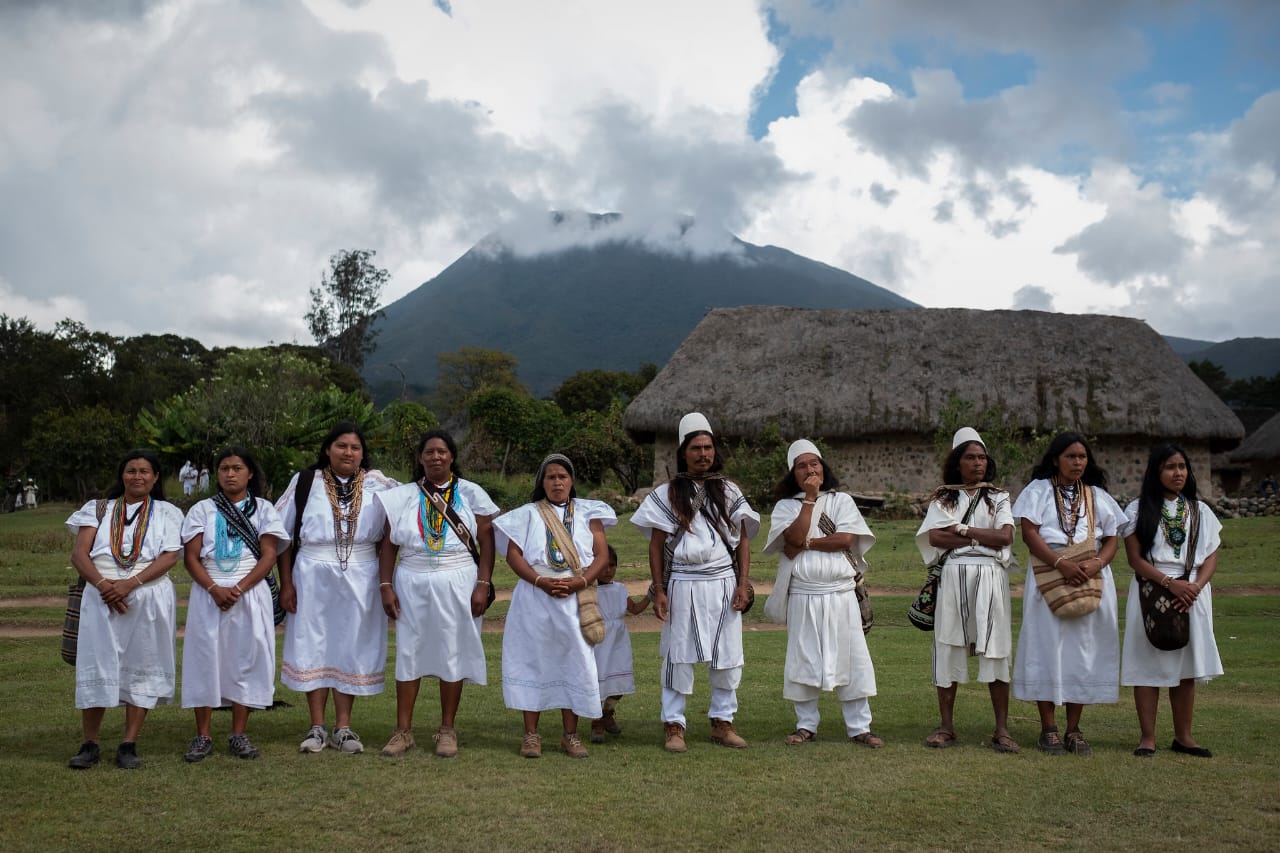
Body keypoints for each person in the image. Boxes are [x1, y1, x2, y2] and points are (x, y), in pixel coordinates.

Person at [631, 412, 760, 753]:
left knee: (728, 655)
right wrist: (659, 589)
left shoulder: (729, 489)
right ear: (683, 452)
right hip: (683, 583)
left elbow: (743, 539)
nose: (704, 454)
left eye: (708, 447)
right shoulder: (666, 493)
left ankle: (722, 722)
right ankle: (674, 725)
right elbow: (656, 544)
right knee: (678, 655)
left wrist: (743, 583)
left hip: (722, 582)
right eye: (696, 448)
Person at [375, 430, 498, 758]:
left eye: (442, 451)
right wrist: (385, 585)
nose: (435, 457)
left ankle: (447, 729)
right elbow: (388, 544)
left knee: (452, 650)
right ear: (420, 458)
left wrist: (483, 584)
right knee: (408, 652)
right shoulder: (402, 496)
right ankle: (403, 731)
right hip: (412, 579)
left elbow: (487, 541)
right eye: (429, 452)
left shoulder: (471, 493)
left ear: (452, 456)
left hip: (459, 579)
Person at [276, 422, 397, 754]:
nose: (348, 452)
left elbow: (397, 528)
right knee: (312, 643)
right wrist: (286, 583)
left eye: (355, 447)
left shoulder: (379, 485)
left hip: (362, 573)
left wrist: (387, 581)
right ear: (327, 449)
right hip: (312, 571)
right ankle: (316, 727)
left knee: (351, 643)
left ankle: (343, 727)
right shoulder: (306, 482)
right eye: (341, 446)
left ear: (363, 453)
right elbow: (281, 535)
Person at [65, 450, 184, 770]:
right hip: (101, 595)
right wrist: (106, 586)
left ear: (156, 477)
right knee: (97, 664)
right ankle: (89, 743)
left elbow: (170, 556)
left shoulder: (167, 513)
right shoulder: (98, 509)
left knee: (142, 664)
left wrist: (129, 584)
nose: (138, 476)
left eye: (145, 471)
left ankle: (128, 743)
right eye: (131, 470)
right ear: (122, 475)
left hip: (147, 595)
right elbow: (80, 555)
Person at [494, 453, 615, 759]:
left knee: (574, 661)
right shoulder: (526, 514)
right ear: (542, 482)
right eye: (550, 477)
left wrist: (581, 581)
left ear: (571, 480)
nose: (557, 482)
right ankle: (531, 735)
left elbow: (601, 556)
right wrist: (539, 581)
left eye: (562, 476)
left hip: (575, 596)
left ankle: (570, 736)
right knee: (531, 660)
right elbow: (513, 555)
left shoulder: (590, 512)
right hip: (535, 597)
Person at [1013, 431, 1124, 756]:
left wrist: (1097, 564)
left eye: (1082, 457)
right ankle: (1048, 729)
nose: (1077, 462)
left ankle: (1074, 729)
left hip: (1089, 576)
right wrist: (1060, 562)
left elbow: (1112, 538)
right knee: (1046, 648)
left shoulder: (1097, 496)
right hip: (1050, 575)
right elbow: (1029, 532)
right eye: (1071, 456)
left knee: (1083, 652)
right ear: (1055, 459)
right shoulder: (1038, 492)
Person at [764, 439, 882, 747]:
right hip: (803, 595)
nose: (810, 469)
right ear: (793, 473)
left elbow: (844, 540)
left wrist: (807, 544)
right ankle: (806, 726)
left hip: (841, 594)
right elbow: (792, 535)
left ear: (823, 466)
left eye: (814, 463)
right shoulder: (785, 506)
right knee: (804, 659)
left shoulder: (841, 501)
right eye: (802, 466)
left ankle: (860, 727)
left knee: (853, 658)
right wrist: (810, 499)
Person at [179, 447, 289, 762]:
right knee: (205, 659)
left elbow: (269, 554)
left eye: (237, 467)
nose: (230, 473)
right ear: (217, 474)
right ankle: (202, 735)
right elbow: (191, 556)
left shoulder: (264, 509)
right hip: (208, 593)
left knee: (247, 659)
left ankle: (239, 734)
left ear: (249, 473)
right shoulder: (202, 509)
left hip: (250, 593)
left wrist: (239, 587)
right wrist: (214, 588)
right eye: (224, 468)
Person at [916, 428, 1018, 752]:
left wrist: (961, 529)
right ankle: (946, 727)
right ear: (957, 463)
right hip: (954, 574)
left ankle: (1002, 730)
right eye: (970, 457)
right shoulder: (944, 497)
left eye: (982, 457)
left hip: (991, 576)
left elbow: (1005, 538)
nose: (978, 463)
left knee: (996, 648)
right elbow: (935, 538)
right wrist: (979, 537)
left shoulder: (998, 497)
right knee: (948, 648)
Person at [1121, 443, 1224, 758]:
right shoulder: (1137, 510)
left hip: (1192, 593)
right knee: (1147, 664)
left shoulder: (1199, 510)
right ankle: (1147, 738)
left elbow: (1209, 557)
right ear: (1156, 471)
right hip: (1152, 590)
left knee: (1185, 667)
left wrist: (1194, 587)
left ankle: (1184, 737)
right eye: (1170, 467)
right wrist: (1169, 583)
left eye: (1182, 466)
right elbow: (1135, 559)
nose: (1178, 473)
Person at [589, 544, 650, 743]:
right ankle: (596, 720)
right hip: (598, 641)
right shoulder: (588, 590)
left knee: (619, 682)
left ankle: (608, 712)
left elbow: (635, 609)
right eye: (603, 566)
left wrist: (650, 596)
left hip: (618, 642)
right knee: (598, 681)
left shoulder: (620, 589)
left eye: (612, 565)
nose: (607, 570)